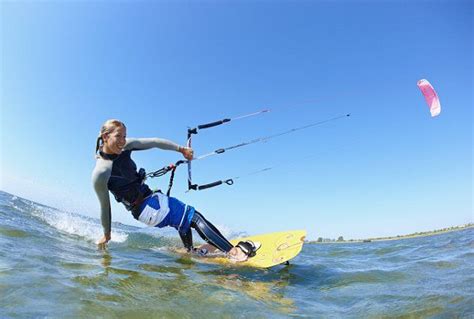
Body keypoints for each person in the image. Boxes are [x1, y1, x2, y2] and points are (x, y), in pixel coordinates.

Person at [92, 119, 259, 262]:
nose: (123, 140)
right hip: (146, 207)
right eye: (118, 136)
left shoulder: (125, 147)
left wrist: (181, 149)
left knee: (182, 222)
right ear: (106, 137)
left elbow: (155, 142)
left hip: (150, 202)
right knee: (193, 217)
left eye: (124, 136)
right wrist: (107, 235)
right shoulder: (101, 171)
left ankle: (190, 252)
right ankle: (234, 253)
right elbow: (104, 207)